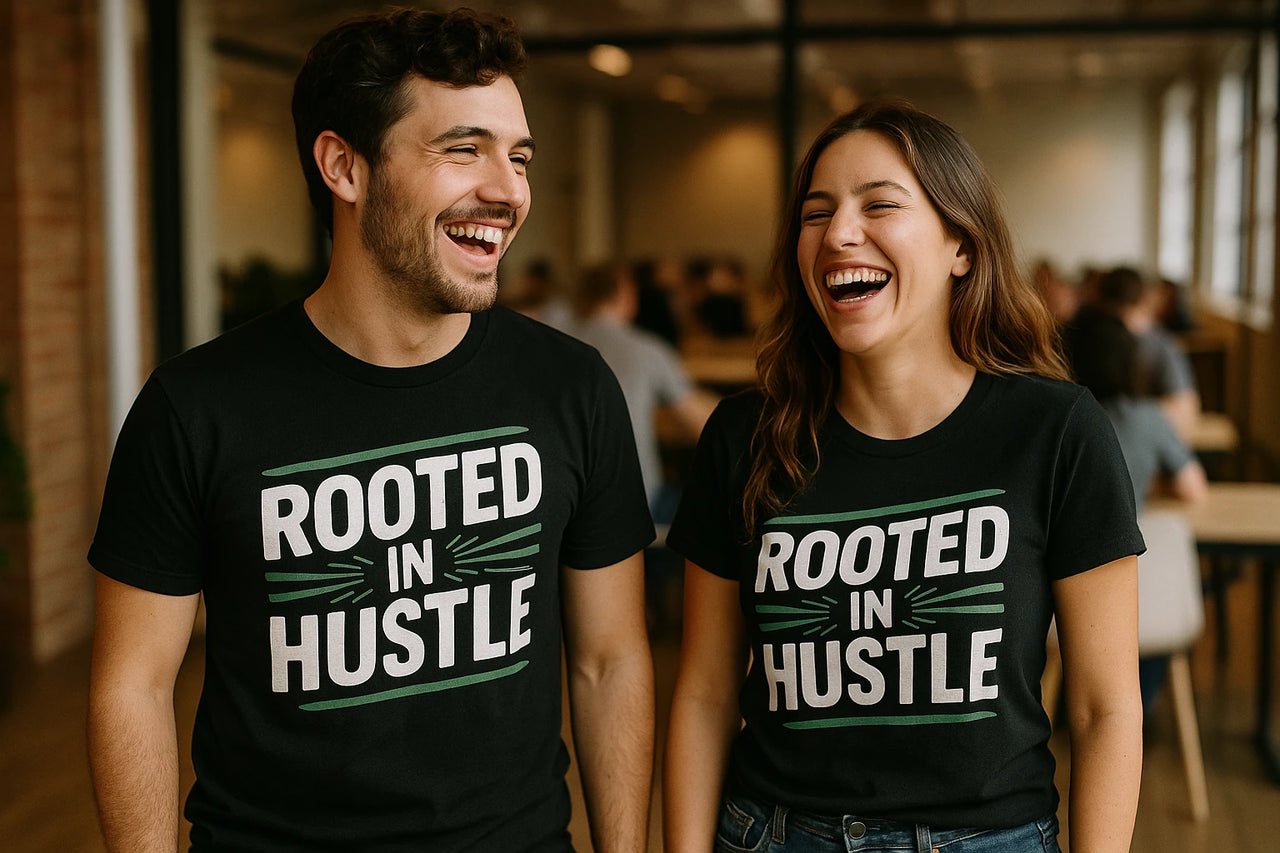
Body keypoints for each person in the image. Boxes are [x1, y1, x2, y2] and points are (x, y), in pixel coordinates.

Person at [87, 9, 655, 852]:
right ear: (344, 166)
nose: (508, 190)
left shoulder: (571, 388)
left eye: (519, 155)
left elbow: (609, 661)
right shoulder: (197, 406)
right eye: (464, 150)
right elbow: (132, 683)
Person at [663, 99, 1143, 853]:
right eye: (816, 213)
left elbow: (1104, 707)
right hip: (775, 834)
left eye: (879, 203)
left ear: (961, 245)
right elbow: (704, 693)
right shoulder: (745, 437)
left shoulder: (1054, 430)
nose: (838, 233)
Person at [1067, 311, 1207, 711]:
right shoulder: (1148, 419)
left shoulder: (1058, 421)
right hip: (1145, 600)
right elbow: (1193, 488)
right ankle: (1137, 705)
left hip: (1058, 620)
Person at [569, 263, 718, 626]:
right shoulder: (646, 349)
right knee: (702, 503)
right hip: (634, 505)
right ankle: (655, 608)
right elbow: (705, 427)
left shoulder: (550, 342)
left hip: (560, 506)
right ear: (626, 297)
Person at [1064, 266, 1200, 442]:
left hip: (1090, 440)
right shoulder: (1158, 342)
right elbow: (1185, 413)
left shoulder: (1072, 333)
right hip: (1119, 444)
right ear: (1144, 300)